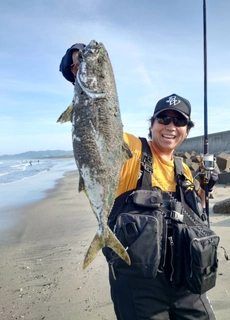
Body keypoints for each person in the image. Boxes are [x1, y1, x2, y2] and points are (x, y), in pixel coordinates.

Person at [60, 46, 218, 319]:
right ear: (152, 124)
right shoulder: (131, 149)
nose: (170, 126)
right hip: (139, 286)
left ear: (186, 130)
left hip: (187, 283)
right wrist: (80, 64)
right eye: (164, 118)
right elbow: (97, 119)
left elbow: (197, 218)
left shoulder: (184, 170)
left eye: (179, 121)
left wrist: (206, 189)